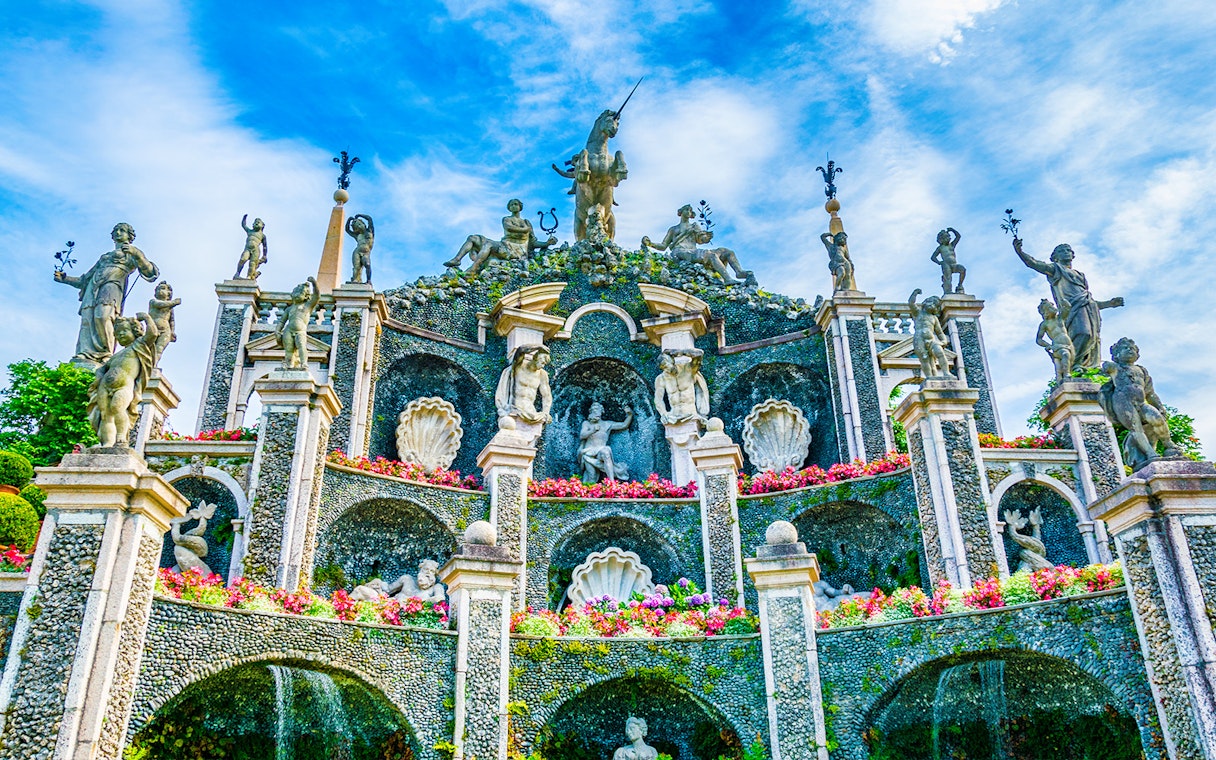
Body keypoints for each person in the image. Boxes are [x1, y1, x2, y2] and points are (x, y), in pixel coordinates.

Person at [55, 222, 160, 365]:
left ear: (130, 236)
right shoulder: (104, 257)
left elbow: (150, 273)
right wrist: (65, 278)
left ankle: (105, 353)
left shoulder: (132, 252)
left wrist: (136, 254)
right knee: (87, 319)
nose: (118, 233)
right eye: (116, 230)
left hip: (112, 285)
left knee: (104, 316)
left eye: (122, 230)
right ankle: (85, 353)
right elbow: (84, 280)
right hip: (93, 287)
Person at [1014, 238, 1123, 371]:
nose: (1066, 252)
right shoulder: (1055, 269)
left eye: (1068, 250)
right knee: (1083, 333)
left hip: (1088, 308)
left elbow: (1088, 299)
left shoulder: (1080, 275)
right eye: (1061, 250)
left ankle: (1084, 366)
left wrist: (1110, 304)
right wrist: (1020, 251)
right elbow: (1033, 263)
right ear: (1055, 257)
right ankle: (1074, 364)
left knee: (1091, 338)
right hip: (1071, 308)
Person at [1098, 337, 1181, 472]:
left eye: (1133, 349)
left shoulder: (1141, 370)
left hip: (1141, 402)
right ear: (1117, 355)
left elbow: (1151, 393)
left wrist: (1159, 406)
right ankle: (1150, 453)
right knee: (1136, 429)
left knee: (1157, 419)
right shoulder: (1115, 368)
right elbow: (1105, 367)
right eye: (1126, 348)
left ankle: (1168, 444)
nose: (1130, 350)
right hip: (1123, 402)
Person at [87, 312, 158, 447]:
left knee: (118, 408)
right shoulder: (116, 355)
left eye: (124, 331)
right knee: (105, 415)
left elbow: (153, 334)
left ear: (135, 331)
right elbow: (103, 368)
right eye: (118, 333)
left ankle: (121, 438)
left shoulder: (138, 346)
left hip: (124, 386)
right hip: (104, 387)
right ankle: (107, 443)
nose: (120, 335)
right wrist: (99, 375)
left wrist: (147, 318)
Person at [643, 205, 751, 285]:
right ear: (681, 212)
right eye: (687, 209)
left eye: (690, 211)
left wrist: (707, 238)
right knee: (712, 255)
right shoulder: (674, 229)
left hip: (694, 251)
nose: (689, 212)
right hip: (680, 252)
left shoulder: (695, 226)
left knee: (727, 252)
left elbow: (701, 239)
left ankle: (739, 272)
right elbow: (663, 246)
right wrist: (650, 244)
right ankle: (727, 279)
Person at [446, 199, 556, 274]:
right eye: (511, 204)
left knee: (488, 244)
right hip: (505, 244)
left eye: (515, 204)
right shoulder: (507, 219)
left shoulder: (526, 222)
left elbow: (533, 242)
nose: (514, 206)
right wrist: (525, 230)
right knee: (473, 238)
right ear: (509, 208)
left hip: (516, 250)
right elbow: (509, 228)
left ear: (520, 206)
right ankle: (457, 259)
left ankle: (474, 268)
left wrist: (547, 243)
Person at [494, 345, 553, 426]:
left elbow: (547, 396)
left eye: (545, 364)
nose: (543, 366)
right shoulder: (519, 365)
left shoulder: (542, 374)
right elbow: (520, 350)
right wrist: (538, 347)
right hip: (515, 408)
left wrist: (546, 412)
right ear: (535, 359)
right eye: (542, 363)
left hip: (531, 411)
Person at [578, 402, 633, 482]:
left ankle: (611, 483)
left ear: (602, 411)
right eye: (592, 409)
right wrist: (592, 430)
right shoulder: (587, 424)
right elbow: (582, 435)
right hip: (589, 452)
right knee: (592, 478)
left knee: (606, 452)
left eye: (597, 409)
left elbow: (623, 425)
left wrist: (630, 415)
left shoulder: (607, 424)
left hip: (601, 450)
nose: (595, 411)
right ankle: (590, 492)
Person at [653, 350, 709, 426]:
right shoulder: (661, 378)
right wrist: (664, 413)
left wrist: (680, 352)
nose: (666, 370)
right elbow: (658, 399)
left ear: (672, 361)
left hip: (690, 414)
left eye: (666, 366)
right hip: (673, 417)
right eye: (662, 368)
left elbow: (699, 354)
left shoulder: (688, 369)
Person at [908, 289, 952, 380]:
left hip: (931, 340)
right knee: (925, 359)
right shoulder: (918, 313)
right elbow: (911, 303)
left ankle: (946, 373)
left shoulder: (934, 318)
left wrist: (943, 341)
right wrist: (914, 294)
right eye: (930, 302)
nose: (932, 305)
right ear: (925, 302)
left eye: (934, 305)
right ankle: (930, 377)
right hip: (919, 340)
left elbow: (939, 332)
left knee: (940, 353)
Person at [278, 277, 319, 370]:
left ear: (306, 296)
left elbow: (317, 296)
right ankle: (289, 365)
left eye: (300, 293)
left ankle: (304, 364)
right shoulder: (289, 309)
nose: (297, 295)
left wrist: (314, 284)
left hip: (300, 331)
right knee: (289, 350)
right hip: (288, 330)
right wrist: (277, 330)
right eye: (295, 293)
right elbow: (282, 321)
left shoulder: (307, 306)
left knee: (302, 347)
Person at [1035, 299, 1073, 384]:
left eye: (1052, 306)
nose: (1052, 308)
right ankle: (1067, 374)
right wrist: (1048, 345)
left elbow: (1067, 308)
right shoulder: (1045, 324)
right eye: (1049, 307)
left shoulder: (1060, 318)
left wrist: (1062, 299)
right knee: (1065, 355)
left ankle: (1067, 374)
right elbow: (1039, 339)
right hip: (1057, 346)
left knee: (1071, 361)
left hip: (1069, 344)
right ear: (1045, 311)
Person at [147, 281, 180, 361]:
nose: (159, 291)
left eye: (162, 289)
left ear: (169, 293)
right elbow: (160, 305)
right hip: (153, 328)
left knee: (159, 349)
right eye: (158, 289)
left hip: (166, 330)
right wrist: (174, 302)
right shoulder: (153, 301)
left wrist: (172, 331)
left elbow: (172, 320)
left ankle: (153, 365)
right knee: (148, 348)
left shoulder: (170, 307)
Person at [930, 227, 965, 294]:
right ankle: (948, 291)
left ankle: (959, 285)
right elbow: (933, 257)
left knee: (963, 270)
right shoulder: (940, 248)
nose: (948, 238)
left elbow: (958, 237)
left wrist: (952, 230)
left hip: (954, 264)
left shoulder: (951, 245)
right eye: (946, 237)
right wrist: (939, 262)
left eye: (948, 237)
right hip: (946, 264)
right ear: (942, 239)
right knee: (948, 278)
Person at [234, 215, 268, 280]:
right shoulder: (250, 231)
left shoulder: (262, 236)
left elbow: (265, 247)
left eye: (258, 222)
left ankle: (249, 276)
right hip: (247, 249)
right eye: (255, 222)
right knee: (243, 259)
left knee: (252, 263)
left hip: (256, 250)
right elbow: (244, 225)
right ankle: (237, 273)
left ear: (262, 225)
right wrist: (244, 219)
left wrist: (264, 256)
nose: (256, 223)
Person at [346, 213, 374, 283]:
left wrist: (359, 215)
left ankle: (368, 281)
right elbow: (347, 230)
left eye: (359, 224)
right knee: (356, 267)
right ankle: (355, 280)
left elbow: (369, 219)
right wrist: (349, 220)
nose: (358, 226)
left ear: (363, 225)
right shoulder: (357, 235)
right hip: (357, 251)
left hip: (366, 253)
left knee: (367, 264)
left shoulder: (369, 231)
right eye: (356, 226)